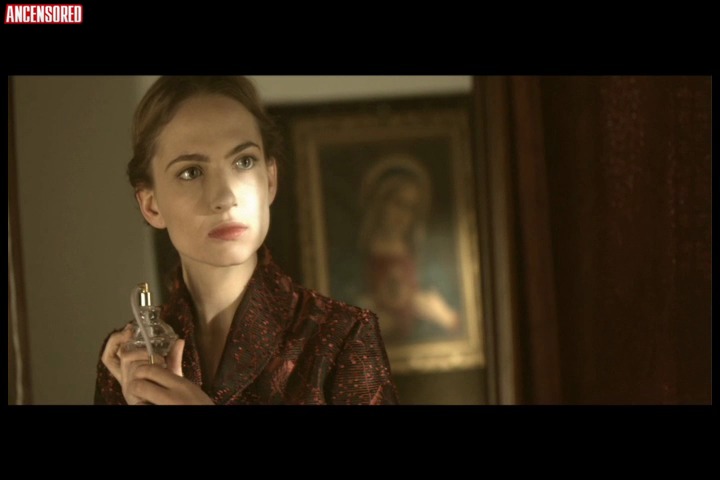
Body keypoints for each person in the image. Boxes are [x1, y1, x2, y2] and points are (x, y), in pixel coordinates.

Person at [94, 76, 398, 405]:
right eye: (191, 172)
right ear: (151, 205)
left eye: (244, 161)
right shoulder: (131, 360)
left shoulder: (344, 337)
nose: (225, 197)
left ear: (270, 179)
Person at [355, 154, 459, 343]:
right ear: (379, 202)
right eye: (398, 204)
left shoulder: (425, 260)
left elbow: (454, 324)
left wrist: (444, 316)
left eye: (411, 208)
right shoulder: (354, 261)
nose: (404, 216)